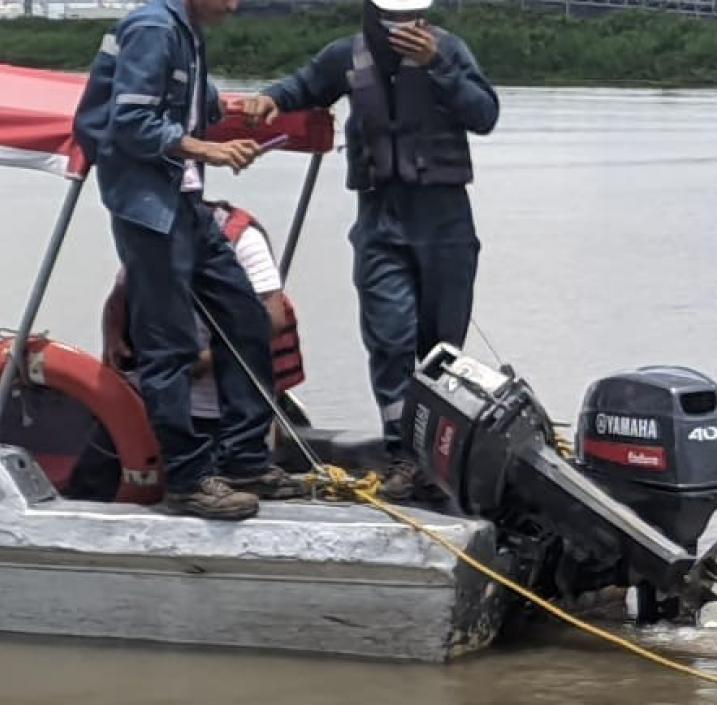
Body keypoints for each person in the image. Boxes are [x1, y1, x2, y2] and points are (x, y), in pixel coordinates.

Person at [242, 0, 499, 502]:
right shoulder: (346, 56)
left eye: (412, 16)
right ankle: (402, 453)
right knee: (390, 339)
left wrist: (437, 66)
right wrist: (270, 98)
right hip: (380, 221)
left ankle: (437, 458)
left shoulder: (449, 51)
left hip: (445, 222)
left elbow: (485, 114)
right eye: (393, 17)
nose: (403, 27)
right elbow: (302, 86)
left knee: (441, 351)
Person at [72, 0, 303, 519]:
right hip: (150, 209)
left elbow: (197, 103)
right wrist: (208, 149)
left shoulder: (186, 30)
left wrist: (241, 109)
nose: (236, 4)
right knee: (169, 345)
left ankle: (244, 459)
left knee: (245, 318)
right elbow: (130, 122)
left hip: (185, 204)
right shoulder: (154, 26)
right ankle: (189, 480)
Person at [102, 200, 306, 439]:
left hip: (222, 404)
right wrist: (113, 338)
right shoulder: (148, 231)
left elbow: (271, 320)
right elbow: (119, 296)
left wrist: (202, 361)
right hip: (151, 396)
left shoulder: (241, 240)